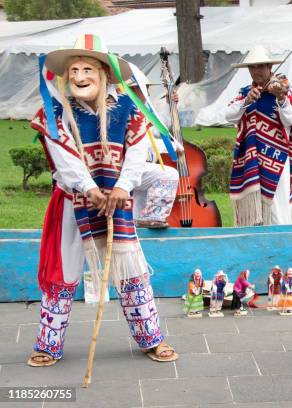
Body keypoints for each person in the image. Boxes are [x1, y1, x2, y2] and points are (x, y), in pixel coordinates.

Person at [29, 33, 177, 366]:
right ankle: (48, 343)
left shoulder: (127, 108)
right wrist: (88, 188)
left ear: (105, 74)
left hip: (116, 201)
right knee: (63, 272)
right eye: (74, 71)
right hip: (72, 202)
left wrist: (123, 187)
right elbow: (63, 154)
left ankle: (150, 338)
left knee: (130, 268)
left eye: (87, 70)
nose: (80, 77)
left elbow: (137, 152)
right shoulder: (54, 111)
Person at [225, 45, 292, 226]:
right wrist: (246, 102)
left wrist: (281, 99)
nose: (257, 71)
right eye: (253, 67)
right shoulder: (245, 92)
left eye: (261, 66)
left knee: (278, 209)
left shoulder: (283, 89)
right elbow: (229, 115)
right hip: (251, 157)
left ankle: (281, 243)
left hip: (277, 157)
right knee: (252, 211)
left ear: (270, 68)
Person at [127, 63, 181, 229]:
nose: (146, 94)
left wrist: (171, 105)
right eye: (142, 89)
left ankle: (140, 224)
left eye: (146, 89)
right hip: (127, 166)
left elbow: (158, 128)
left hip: (138, 165)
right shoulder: (127, 110)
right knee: (168, 175)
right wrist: (170, 147)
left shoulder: (142, 109)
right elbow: (139, 141)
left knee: (140, 204)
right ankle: (153, 216)